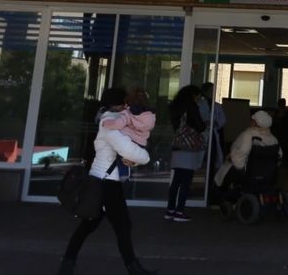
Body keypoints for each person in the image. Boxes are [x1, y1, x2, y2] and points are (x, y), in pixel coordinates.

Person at [57, 87, 157, 275]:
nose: (127, 107)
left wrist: (133, 160)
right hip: (107, 183)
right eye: (124, 103)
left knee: (89, 225)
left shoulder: (115, 122)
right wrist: (145, 158)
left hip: (102, 180)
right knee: (123, 226)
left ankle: (66, 266)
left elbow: (127, 154)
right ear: (117, 104)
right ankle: (134, 269)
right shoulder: (109, 123)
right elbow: (127, 150)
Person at [165, 84, 205, 223]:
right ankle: (179, 211)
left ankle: (170, 209)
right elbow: (199, 126)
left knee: (176, 181)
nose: (200, 98)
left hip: (178, 146)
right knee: (186, 182)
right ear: (193, 95)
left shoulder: (175, 106)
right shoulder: (192, 107)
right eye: (199, 95)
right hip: (189, 148)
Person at [214, 109, 279, 189]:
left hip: (249, 172)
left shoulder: (249, 135)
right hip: (268, 174)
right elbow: (279, 156)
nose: (250, 122)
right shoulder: (273, 139)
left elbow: (240, 157)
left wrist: (231, 157)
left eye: (252, 120)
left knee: (224, 171)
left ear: (255, 123)